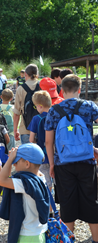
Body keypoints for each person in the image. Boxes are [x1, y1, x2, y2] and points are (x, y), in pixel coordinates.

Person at [45, 74, 98, 241]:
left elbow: (48, 141)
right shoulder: (89, 106)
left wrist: (52, 164)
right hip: (87, 161)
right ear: (79, 90)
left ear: (61, 90)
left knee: (67, 202)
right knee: (91, 199)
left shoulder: (54, 110)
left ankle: (68, 239)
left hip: (63, 163)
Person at [0, 144, 49, 243]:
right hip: (38, 233)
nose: (14, 164)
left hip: (27, 236)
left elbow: (0, 180)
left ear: (27, 163)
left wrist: (9, 160)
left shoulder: (24, 183)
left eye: (16, 161)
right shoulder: (40, 178)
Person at [27, 91, 52, 192]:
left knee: (46, 183)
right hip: (56, 154)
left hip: (42, 155)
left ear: (39, 106)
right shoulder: (55, 116)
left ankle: (49, 207)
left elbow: (31, 139)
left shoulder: (36, 119)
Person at [13, 64, 40, 144]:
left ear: (25, 74)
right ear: (37, 74)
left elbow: (17, 113)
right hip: (41, 128)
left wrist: (15, 130)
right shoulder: (41, 86)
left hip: (25, 129)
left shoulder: (20, 89)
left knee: (27, 156)